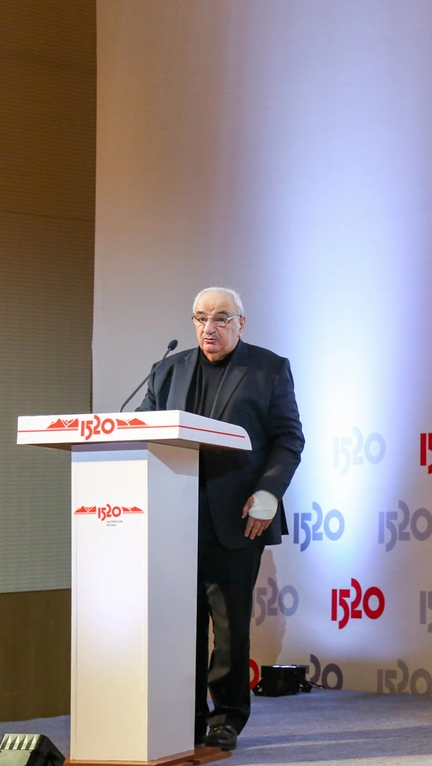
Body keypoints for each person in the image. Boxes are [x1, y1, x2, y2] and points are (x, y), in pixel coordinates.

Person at [138, 286, 304, 751]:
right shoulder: (167, 369)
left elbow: (288, 438)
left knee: (229, 627)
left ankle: (226, 717)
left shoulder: (268, 369)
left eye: (220, 318)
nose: (208, 328)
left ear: (240, 323)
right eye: (200, 318)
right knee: (180, 624)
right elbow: (141, 430)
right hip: (173, 517)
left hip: (239, 516)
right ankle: (184, 716)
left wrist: (269, 491)